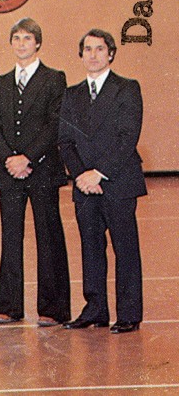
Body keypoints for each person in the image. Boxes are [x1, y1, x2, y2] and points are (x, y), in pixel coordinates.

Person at [59, 29, 146, 334]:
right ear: (80, 54)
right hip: (84, 185)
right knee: (91, 248)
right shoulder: (72, 94)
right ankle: (95, 309)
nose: (93, 55)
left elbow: (127, 137)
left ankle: (129, 314)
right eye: (87, 49)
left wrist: (100, 173)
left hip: (118, 182)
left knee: (125, 248)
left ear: (111, 53)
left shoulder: (127, 89)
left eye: (99, 49)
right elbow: (66, 142)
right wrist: (82, 175)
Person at [0, 18, 70, 327]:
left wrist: (28, 158)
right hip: (10, 172)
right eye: (16, 38)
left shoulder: (54, 79)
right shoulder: (1, 83)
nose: (21, 43)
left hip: (43, 169)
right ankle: (8, 305)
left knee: (48, 236)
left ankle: (53, 308)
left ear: (37, 43)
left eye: (27, 38)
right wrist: (9, 158)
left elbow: (54, 123)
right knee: (10, 238)